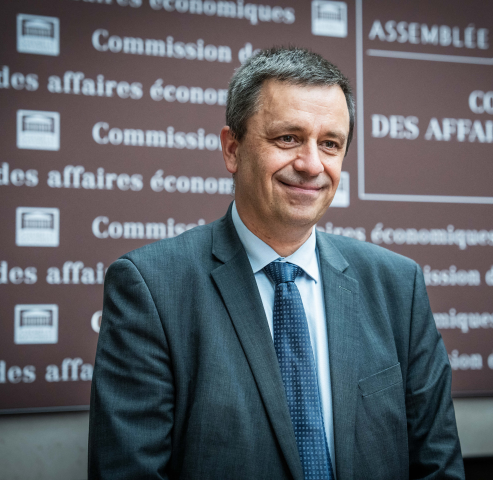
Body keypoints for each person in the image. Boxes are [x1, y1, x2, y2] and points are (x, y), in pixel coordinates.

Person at [89, 47, 464, 479]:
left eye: (330, 144)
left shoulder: (398, 285)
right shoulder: (151, 287)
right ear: (233, 149)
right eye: (288, 138)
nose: (311, 164)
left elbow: (438, 465)